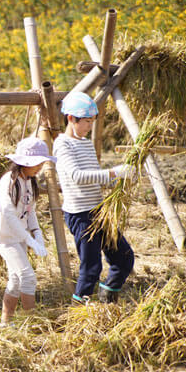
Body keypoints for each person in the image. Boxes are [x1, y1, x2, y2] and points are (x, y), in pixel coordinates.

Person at [53, 92, 135, 304]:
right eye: (87, 122)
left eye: (92, 121)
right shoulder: (63, 144)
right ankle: (79, 310)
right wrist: (114, 173)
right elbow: (77, 176)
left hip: (99, 210)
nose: (90, 126)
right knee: (91, 267)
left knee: (124, 257)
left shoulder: (86, 144)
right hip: (80, 214)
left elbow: (95, 177)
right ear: (71, 118)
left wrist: (121, 179)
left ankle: (107, 299)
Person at [0, 137, 55, 325]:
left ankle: (6, 323)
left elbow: (30, 210)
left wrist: (37, 233)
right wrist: (29, 239)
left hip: (19, 237)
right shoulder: (8, 182)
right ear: (24, 162)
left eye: (42, 162)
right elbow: (9, 214)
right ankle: (32, 323)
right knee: (28, 277)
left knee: (16, 280)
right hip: (5, 238)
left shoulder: (29, 181)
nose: (40, 167)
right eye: (37, 163)